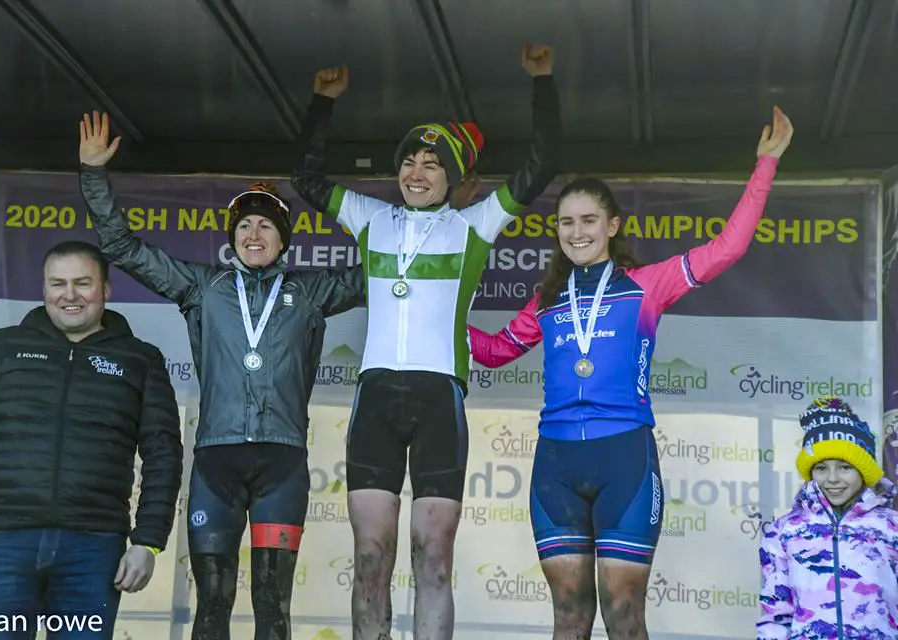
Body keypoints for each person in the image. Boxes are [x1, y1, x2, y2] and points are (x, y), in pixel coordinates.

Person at [467, 106, 794, 640]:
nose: (577, 232)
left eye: (588, 220)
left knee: (623, 614)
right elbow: (495, 350)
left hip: (626, 459)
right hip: (555, 466)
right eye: (566, 222)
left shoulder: (647, 285)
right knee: (569, 617)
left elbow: (727, 248)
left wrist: (765, 165)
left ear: (612, 226)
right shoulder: (546, 300)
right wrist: (435, 317)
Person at [291, 44, 560, 640]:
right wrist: (322, 104)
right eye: (409, 160)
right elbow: (305, 179)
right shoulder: (369, 218)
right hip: (375, 397)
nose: (417, 170)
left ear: (453, 177)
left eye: (432, 163)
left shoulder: (474, 226)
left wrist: (541, 82)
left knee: (433, 558)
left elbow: (542, 165)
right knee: (370, 559)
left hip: (440, 397)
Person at [77, 111, 365, 640]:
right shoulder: (201, 288)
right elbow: (122, 248)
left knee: (272, 605)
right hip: (216, 463)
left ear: (284, 239)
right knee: (212, 603)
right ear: (233, 236)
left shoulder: (311, 295)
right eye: (245, 225)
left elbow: (394, 263)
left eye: (267, 225)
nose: (254, 233)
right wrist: (93, 175)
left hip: (282, 463)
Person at [0, 240, 183, 639]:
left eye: (83, 283)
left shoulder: (141, 359)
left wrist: (147, 542)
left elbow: (163, 454)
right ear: (44, 289)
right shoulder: (2, 348)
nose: (69, 295)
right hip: (3, 546)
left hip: (93, 552)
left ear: (105, 289)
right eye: (58, 283)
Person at [757, 396, 898, 639]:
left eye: (845, 467)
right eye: (821, 468)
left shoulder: (892, 527)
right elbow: (776, 615)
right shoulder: (783, 532)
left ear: (863, 471)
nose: (832, 479)